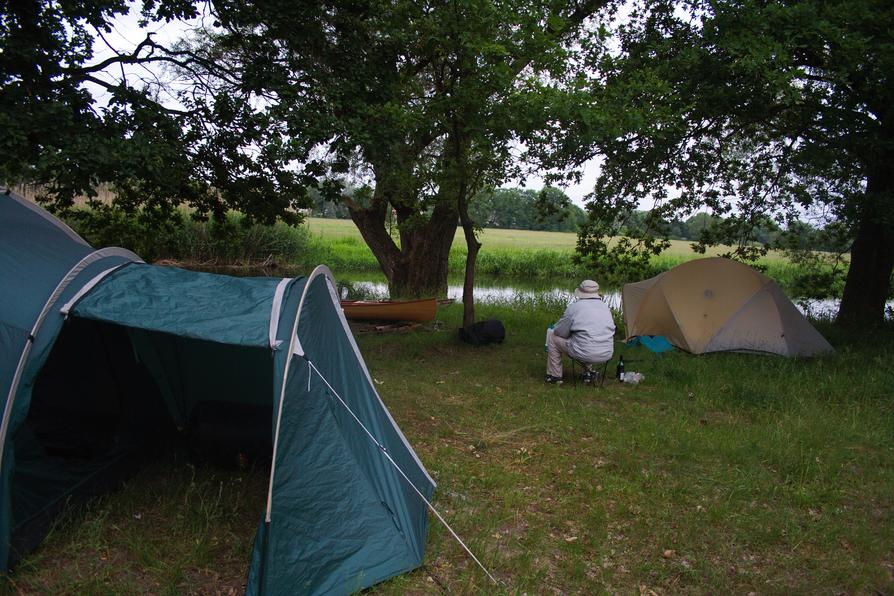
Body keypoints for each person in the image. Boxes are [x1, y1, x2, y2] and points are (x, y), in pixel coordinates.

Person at [545, 279, 615, 384]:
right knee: (585, 339)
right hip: (606, 352)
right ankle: (587, 373)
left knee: (552, 336)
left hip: (584, 352)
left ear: (580, 292)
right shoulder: (605, 307)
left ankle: (555, 376)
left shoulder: (575, 307)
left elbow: (560, 332)